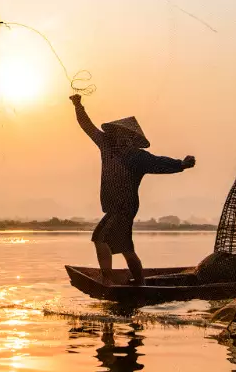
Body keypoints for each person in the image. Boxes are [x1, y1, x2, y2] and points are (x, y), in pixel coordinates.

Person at [71, 94, 195, 286]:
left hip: (125, 207)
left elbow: (160, 163)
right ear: (115, 135)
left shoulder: (137, 157)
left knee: (100, 238)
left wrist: (181, 164)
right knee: (126, 248)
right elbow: (87, 126)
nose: (122, 138)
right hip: (115, 207)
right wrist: (78, 105)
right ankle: (140, 283)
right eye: (119, 134)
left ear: (132, 139)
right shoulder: (107, 146)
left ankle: (107, 279)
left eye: (126, 136)